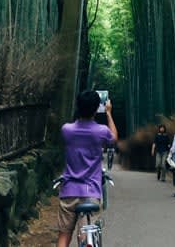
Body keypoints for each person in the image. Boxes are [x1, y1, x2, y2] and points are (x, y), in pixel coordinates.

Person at [57, 90, 118, 247]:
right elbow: (114, 138)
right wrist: (109, 113)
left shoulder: (66, 130)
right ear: (97, 108)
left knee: (64, 236)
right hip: (91, 192)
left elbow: (74, 129)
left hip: (69, 191)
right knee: (86, 236)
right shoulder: (101, 131)